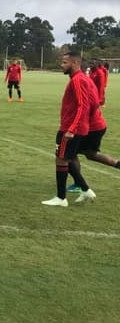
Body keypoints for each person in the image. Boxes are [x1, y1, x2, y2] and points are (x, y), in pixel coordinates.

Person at [42, 52, 92, 207]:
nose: (62, 65)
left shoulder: (78, 80)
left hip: (70, 129)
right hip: (73, 127)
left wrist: (71, 129)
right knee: (66, 158)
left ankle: (61, 198)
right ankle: (85, 189)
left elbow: (83, 106)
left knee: (62, 159)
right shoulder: (78, 79)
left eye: (65, 62)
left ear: (75, 63)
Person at [67, 64, 120, 195]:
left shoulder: (80, 81)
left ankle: (79, 184)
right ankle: (118, 164)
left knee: (69, 153)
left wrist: (74, 126)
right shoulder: (87, 80)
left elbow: (85, 106)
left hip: (91, 127)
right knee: (91, 154)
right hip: (98, 125)